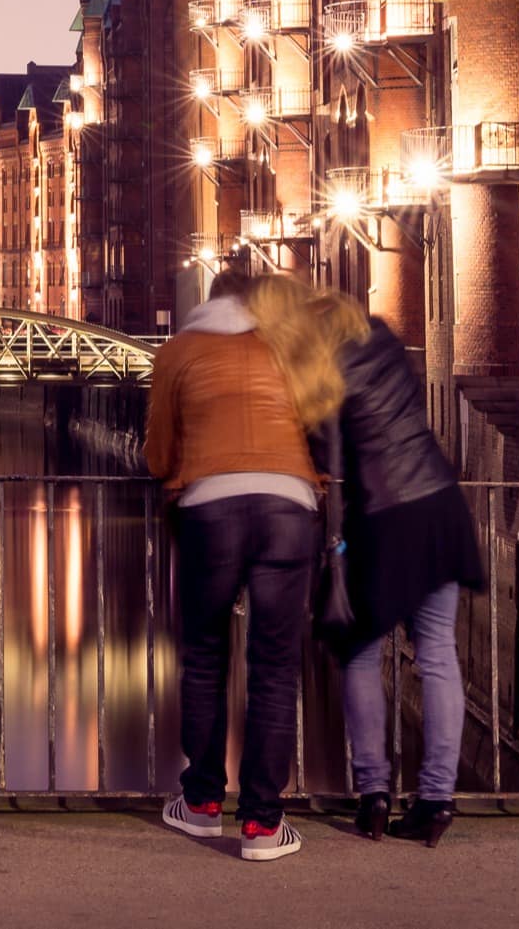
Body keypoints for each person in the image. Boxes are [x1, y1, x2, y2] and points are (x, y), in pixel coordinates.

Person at [245, 277, 484, 848]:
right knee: (439, 654)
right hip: (440, 503)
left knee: (357, 652)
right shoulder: (383, 337)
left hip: (385, 516)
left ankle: (374, 792)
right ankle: (437, 799)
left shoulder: (318, 373)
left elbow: (326, 460)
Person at [146, 266, 317, 862]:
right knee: (274, 666)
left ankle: (202, 803)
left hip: (210, 508)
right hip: (288, 508)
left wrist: (178, 471)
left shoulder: (179, 351)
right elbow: (320, 425)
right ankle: (263, 825)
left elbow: (158, 451)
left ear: (208, 302)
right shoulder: (287, 347)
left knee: (205, 656)